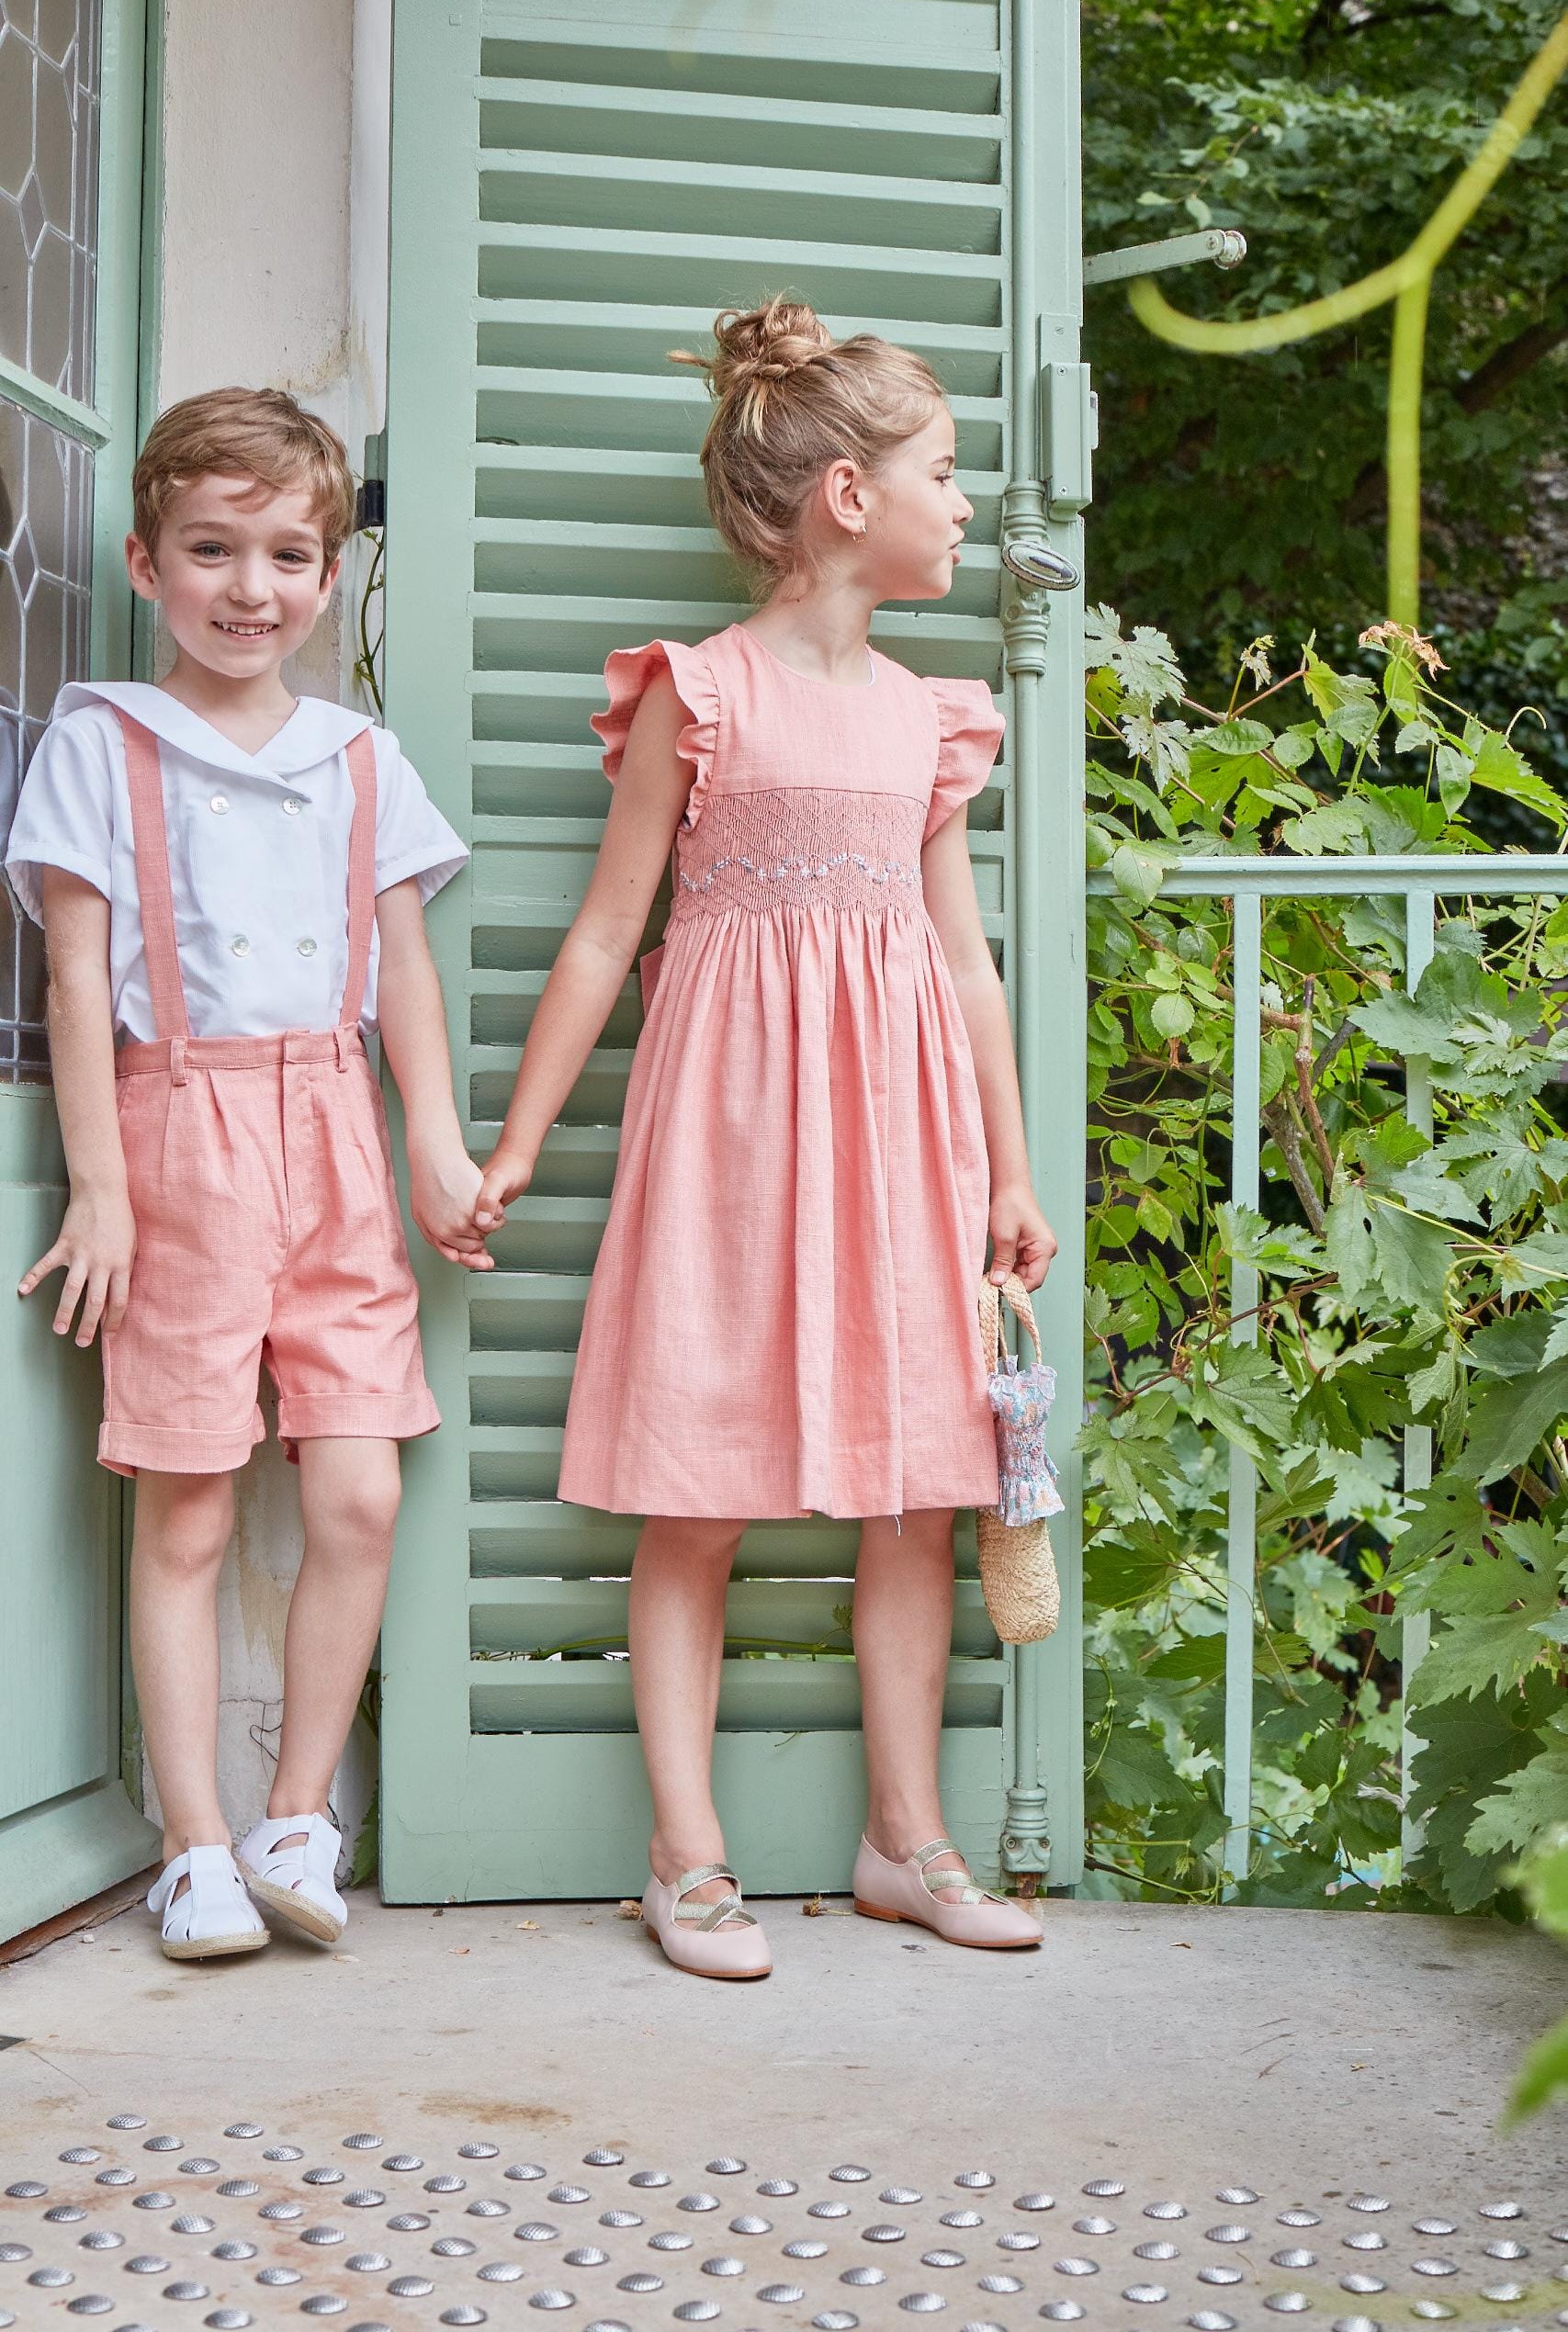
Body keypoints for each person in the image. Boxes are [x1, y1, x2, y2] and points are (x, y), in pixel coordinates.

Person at [475, 300, 1058, 1979]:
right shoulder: (700, 695)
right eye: (949, 475)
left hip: (905, 1137)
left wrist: (1011, 1170)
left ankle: (905, 1837)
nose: (971, 506)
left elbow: (964, 960)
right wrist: (514, 1143)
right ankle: (689, 1854)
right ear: (850, 497)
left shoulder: (928, 718)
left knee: (919, 1499)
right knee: (698, 1492)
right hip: (729, 1138)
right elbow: (603, 935)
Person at [6, 388, 488, 1963]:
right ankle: (192, 1842)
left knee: (358, 1489)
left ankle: (298, 1817)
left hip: (336, 1135)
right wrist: (98, 1184)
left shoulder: (362, 761)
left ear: (330, 572)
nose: (249, 587)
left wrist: (432, 1143)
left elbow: (398, 967)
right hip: (178, 1134)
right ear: (148, 564)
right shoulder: (103, 742)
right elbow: (80, 981)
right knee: (191, 1510)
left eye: (288, 553)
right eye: (212, 550)